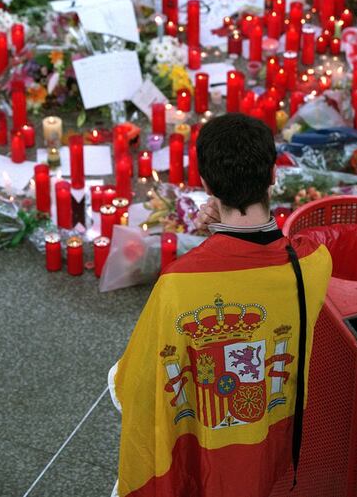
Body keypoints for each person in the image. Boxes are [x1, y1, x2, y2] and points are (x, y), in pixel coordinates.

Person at [110, 114, 332, 497]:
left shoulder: (179, 285)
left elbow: (136, 385)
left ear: (206, 183)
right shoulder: (315, 264)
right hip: (271, 447)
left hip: (207, 454)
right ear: (273, 176)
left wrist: (209, 241)